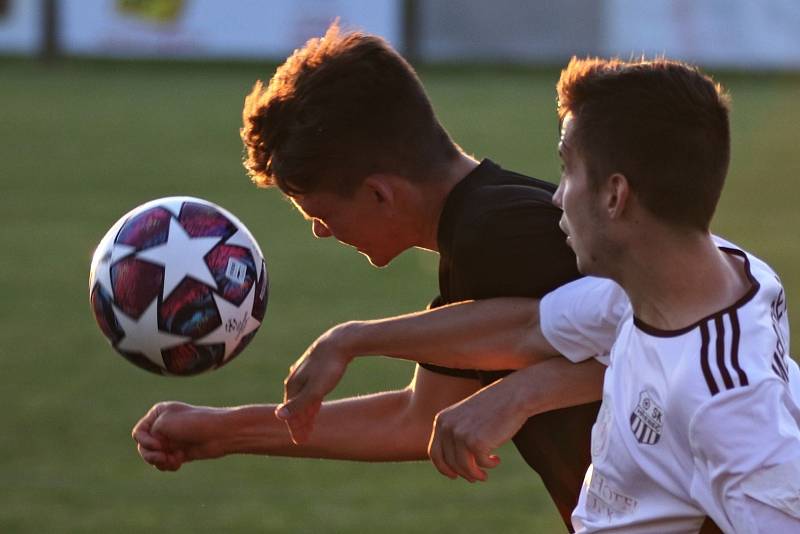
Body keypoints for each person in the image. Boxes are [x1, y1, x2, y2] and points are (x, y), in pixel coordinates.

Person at [281, 57, 800, 532]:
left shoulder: (727, 405)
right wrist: (351, 340)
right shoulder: (672, 284)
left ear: (615, 196)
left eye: (567, 170)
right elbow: (527, 329)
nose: (555, 197)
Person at [131, 23, 605, 530]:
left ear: (380, 194)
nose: (319, 231)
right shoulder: (479, 234)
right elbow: (414, 419)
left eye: (318, 211)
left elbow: (647, 334)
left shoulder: (498, 232)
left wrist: (354, 340)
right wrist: (221, 432)